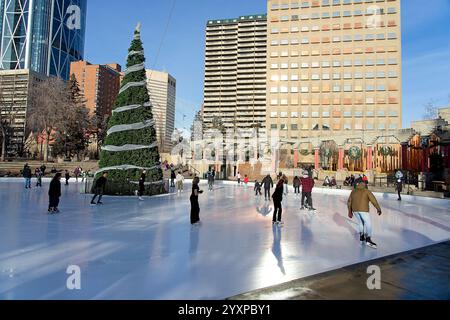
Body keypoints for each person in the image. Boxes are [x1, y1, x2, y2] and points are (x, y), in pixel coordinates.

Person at [347, 176, 382, 249]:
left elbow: (349, 202)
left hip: (355, 210)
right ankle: (368, 239)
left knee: (361, 223)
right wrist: (378, 209)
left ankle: (362, 237)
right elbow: (374, 201)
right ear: (365, 184)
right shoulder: (367, 191)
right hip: (364, 210)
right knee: (368, 223)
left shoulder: (353, 191)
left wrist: (349, 211)